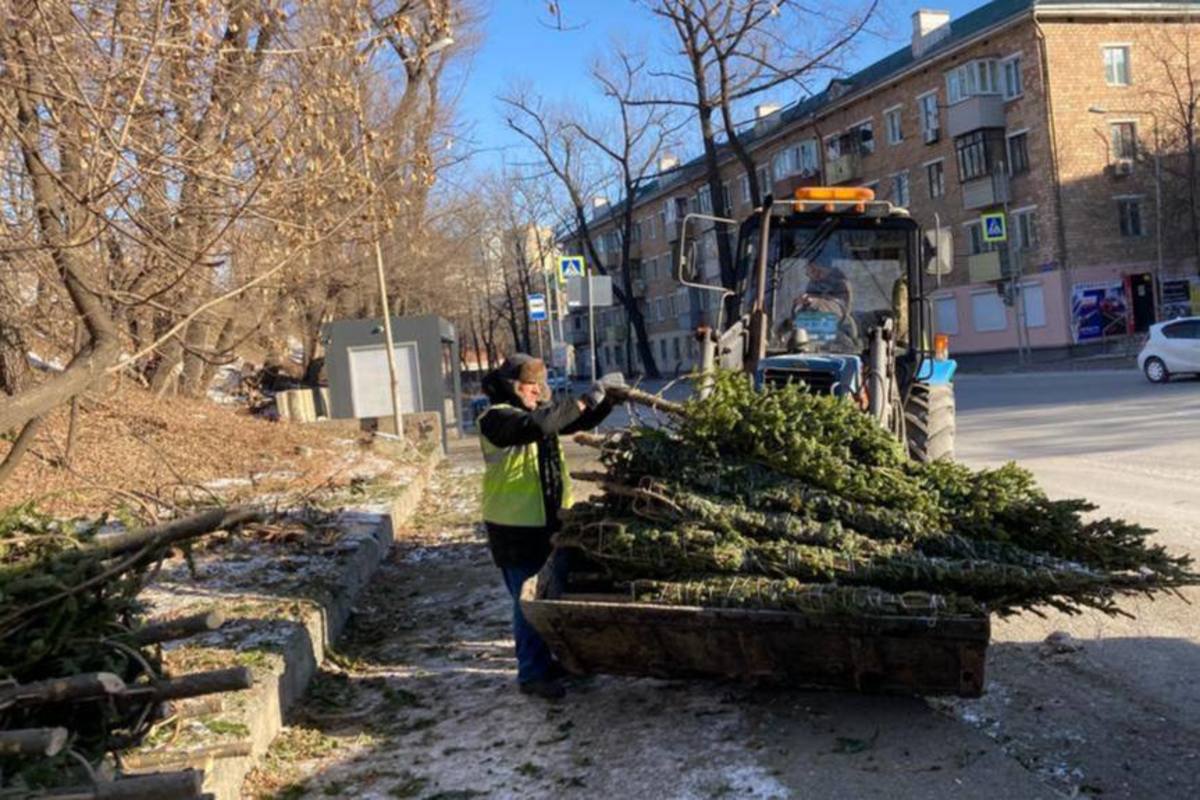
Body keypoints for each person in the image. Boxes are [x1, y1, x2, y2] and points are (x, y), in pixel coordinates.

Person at [477, 354, 618, 700]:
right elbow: (538, 426)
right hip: (514, 525)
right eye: (530, 386)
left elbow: (567, 423)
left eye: (540, 386)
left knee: (545, 598)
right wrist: (583, 400)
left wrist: (606, 400)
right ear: (513, 387)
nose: (537, 392)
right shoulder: (496, 419)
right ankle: (531, 673)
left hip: (545, 522)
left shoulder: (534, 413)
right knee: (527, 604)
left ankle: (545, 662)